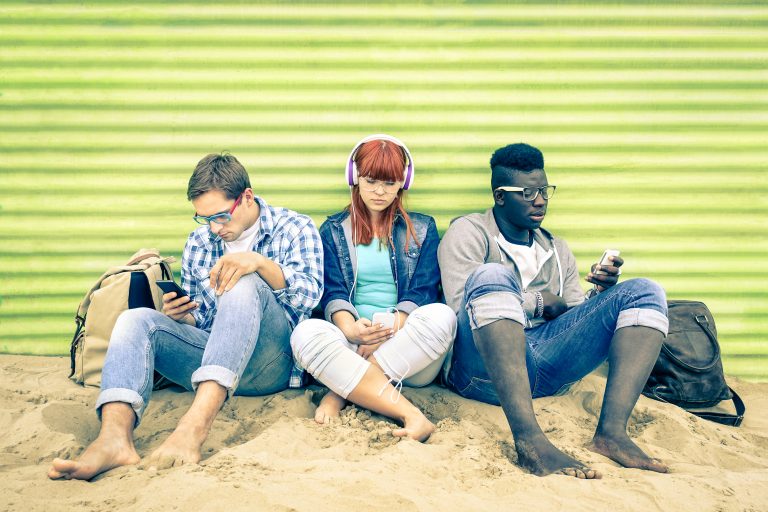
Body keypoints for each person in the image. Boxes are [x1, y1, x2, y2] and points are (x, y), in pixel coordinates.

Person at [48, 153, 323, 480]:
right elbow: (207, 321)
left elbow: (310, 295)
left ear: (247, 197)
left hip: (270, 364)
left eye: (221, 216)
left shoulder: (294, 227)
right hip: (215, 362)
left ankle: (193, 427)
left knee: (243, 279)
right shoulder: (199, 242)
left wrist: (258, 264)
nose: (214, 228)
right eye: (204, 218)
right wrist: (183, 318)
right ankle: (114, 439)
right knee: (136, 320)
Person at [438, 143, 669, 478]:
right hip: (482, 372)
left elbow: (571, 319)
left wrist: (602, 298)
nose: (540, 200)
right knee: (490, 274)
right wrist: (538, 301)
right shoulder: (470, 233)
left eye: (545, 190)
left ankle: (612, 435)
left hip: (546, 367)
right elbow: (462, 309)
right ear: (500, 196)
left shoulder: (557, 249)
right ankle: (531, 441)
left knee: (645, 291)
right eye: (528, 192)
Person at [291, 135, 456, 441]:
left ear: (403, 182)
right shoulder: (333, 230)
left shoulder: (422, 229)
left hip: (407, 351)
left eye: (390, 182)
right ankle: (404, 410)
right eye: (370, 181)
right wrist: (352, 330)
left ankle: (340, 393)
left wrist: (388, 331)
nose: (380, 192)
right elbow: (333, 292)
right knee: (304, 334)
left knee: (443, 315)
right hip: (351, 342)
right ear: (354, 178)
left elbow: (423, 289)